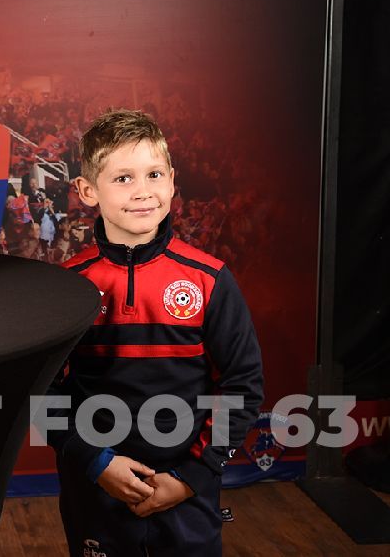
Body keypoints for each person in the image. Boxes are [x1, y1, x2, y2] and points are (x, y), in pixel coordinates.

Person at [47, 110, 263, 556]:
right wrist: (95, 461)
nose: (143, 191)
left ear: (172, 182)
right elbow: (42, 392)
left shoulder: (210, 280)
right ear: (88, 191)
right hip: (97, 484)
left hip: (185, 489)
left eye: (154, 174)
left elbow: (242, 385)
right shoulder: (66, 286)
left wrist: (193, 477)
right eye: (123, 178)